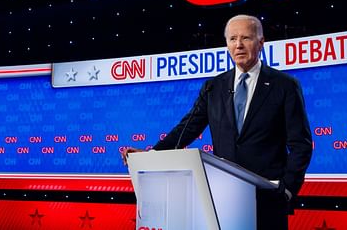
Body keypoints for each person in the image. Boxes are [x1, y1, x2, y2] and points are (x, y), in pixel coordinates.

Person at [121, 14, 313, 230]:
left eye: (246, 38)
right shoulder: (213, 87)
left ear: (261, 43)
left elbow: (301, 144)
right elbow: (187, 129)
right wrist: (152, 154)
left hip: (268, 198)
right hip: (224, 199)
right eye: (232, 39)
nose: (238, 45)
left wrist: (287, 189)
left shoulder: (285, 85)